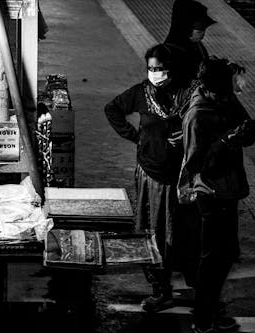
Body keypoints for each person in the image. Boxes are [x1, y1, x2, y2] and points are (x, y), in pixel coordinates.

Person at [105, 44, 193, 313]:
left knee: (179, 230)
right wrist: (137, 137)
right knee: (153, 230)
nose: (155, 73)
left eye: (160, 68)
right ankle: (160, 288)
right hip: (151, 174)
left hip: (178, 175)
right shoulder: (141, 93)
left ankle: (181, 277)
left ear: (171, 69)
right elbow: (113, 110)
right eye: (151, 68)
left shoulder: (186, 94)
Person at [179, 57, 255, 333]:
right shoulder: (198, 115)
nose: (238, 91)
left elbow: (246, 129)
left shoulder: (224, 101)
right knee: (213, 257)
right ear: (216, 88)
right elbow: (197, 163)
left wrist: (244, 132)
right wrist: (229, 139)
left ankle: (211, 309)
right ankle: (203, 318)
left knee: (226, 253)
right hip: (211, 193)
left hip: (229, 189)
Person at [165, 0, 216, 84]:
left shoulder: (196, 44)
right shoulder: (171, 52)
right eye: (199, 31)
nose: (203, 34)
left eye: (204, 30)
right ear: (186, 30)